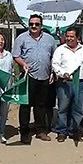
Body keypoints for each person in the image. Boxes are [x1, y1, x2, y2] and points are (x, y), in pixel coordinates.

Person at [11, 14, 57, 143]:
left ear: (41, 25)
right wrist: (23, 64)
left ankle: (40, 131)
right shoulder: (22, 38)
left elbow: (54, 57)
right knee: (25, 105)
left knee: (41, 105)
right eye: (31, 24)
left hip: (44, 76)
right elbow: (16, 55)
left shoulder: (50, 39)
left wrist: (53, 72)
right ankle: (24, 132)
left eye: (37, 24)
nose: (34, 26)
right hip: (28, 76)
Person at [52, 27, 83, 142]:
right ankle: (61, 132)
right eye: (68, 36)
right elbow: (55, 65)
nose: (69, 38)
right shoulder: (60, 49)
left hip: (79, 83)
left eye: (72, 36)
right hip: (64, 82)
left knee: (78, 109)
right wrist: (62, 73)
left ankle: (74, 131)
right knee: (63, 108)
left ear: (77, 37)